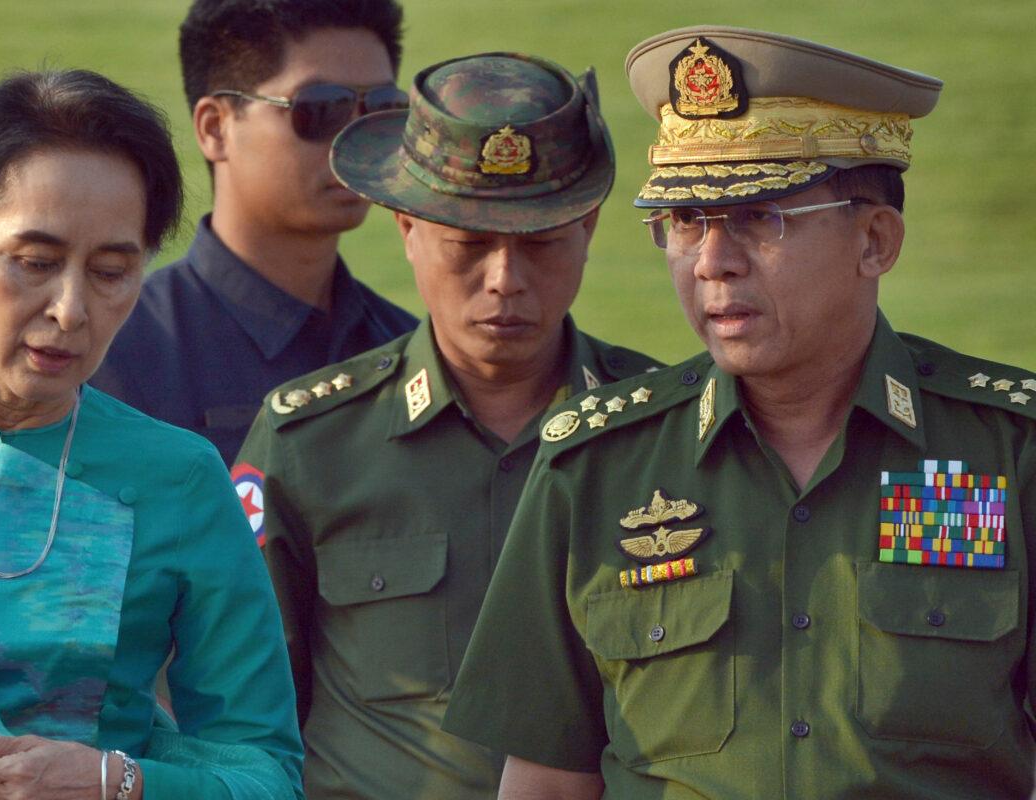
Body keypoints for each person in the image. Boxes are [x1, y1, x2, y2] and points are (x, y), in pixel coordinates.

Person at [443, 26, 1036, 799]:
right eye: (684, 221)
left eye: (760, 217)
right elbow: (547, 782)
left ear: (875, 241)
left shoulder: (1007, 453)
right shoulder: (594, 466)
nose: (711, 261)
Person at [0, 69, 303, 799]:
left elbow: (266, 775)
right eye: (36, 262)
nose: (71, 308)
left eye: (112, 270)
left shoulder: (176, 479)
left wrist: (119, 783)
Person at [236, 52, 663, 799]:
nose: (505, 279)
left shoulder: (664, 432)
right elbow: (246, 705)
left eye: (540, 242)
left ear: (589, 227)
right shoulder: (308, 444)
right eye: (469, 245)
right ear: (407, 227)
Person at [91, 0, 417, 471]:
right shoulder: (113, 353)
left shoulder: (409, 348)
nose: (356, 139)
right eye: (321, 109)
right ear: (216, 127)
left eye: (383, 109)